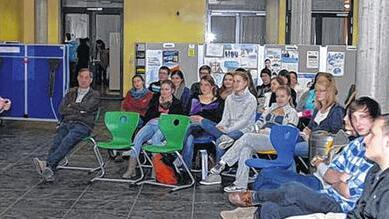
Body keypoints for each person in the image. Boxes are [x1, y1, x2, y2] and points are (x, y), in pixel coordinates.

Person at [222, 113, 389, 219]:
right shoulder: (372, 169)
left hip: (336, 204)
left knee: (292, 189)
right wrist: (337, 178)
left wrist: (333, 176)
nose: (366, 138)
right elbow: (330, 176)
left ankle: (253, 199)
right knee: (269, 203)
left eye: (372, 134)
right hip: (327, 192)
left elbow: (347, 193)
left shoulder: (382, 183)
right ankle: (253, 211)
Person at [252, 97, 380, 193]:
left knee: (267, 175)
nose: (345, 119)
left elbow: (337, 181)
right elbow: (335, 172)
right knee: (268, 186)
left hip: (320, 184)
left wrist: (320, 164)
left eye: (351, 116)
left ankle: (254, 199)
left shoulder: (363, 147)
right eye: (352, 117)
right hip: (319, 176)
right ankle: (260, 201)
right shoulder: (353, 142)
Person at [200, 86, 299, 192]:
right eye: (277, 96)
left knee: (247, 137)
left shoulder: (292, 113)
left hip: (277, 142)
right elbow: (259, 123)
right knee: (245, 149)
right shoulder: (271, 108)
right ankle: (240, 185)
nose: (279, 99)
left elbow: (288, 134)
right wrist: (255, 129)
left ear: (289, 97)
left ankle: (223, 162)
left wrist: (268, 132)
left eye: (282, 96)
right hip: (260, 138)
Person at [32, 68, 100, 182]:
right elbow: (62, 109)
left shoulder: (95, 95)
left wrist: (72, 106)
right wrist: (78, 109)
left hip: (83, 125)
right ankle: (49, 170)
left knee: (67, 141)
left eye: (86, 77)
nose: (84, 80)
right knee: (57, 142)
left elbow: (87, 107)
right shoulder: (71, 92)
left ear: (91, 80)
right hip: (67, 122)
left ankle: (47, 164)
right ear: (78, 78)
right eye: (81, 77)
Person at [122, 80, 184, 179]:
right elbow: (147, 116)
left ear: (172, 90)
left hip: (166, 127)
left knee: (156, 139)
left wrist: (166, 117)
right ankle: (131, 169)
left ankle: (156, 169)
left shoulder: (177, 103)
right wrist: (157, 114)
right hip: (152, 124)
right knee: (138, 138)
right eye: (162, 89)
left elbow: (178, 122)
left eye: (167, 89)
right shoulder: (155, 99)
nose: (164, 92)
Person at [196, 71, 257, 162]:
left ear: (245, 83)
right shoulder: (229, 98)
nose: (235, 84)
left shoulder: (251, 99)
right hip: (228, 128)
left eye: (238, 81)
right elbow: (225, 117)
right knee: (203, 121)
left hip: (243, 130)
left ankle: (219, 168)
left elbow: (244, 121)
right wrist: (221, 126)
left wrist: (227, 130)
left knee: (220, 141)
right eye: (234, 81)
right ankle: (222, 137)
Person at [295, 73, 345, 158]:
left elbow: (336, 134)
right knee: (287, 144)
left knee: (291, 148)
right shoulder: (317, 109)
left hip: (324, 146)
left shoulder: (336, 110)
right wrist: (306, 130)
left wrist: (313, 135)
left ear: (329, 92)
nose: (318, 93)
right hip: (311, 141)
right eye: (316, 91)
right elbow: (310, 126)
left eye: (322, 91)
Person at [182, 75, 224, 168]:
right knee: (189, 139)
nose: (203, 87)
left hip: (208, 130)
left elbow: (218, 120)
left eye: (206, 85)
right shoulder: (194, 98)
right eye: (201, 85)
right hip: (192, 129)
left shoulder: (219, 101)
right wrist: (191, 118)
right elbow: (185, 114)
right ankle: (186, 170)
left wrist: (201, 119)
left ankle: (176, 148)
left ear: (212, 86)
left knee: (194, 126)